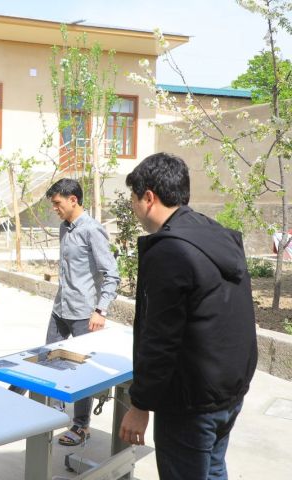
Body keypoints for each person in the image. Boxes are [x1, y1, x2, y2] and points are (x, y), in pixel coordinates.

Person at [119, 153, 257, 480]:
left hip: (190, 402)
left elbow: (160, 339)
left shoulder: (170, 250)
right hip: (228, 390)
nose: (133, 207)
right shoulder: (216, 233)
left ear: (148, 197)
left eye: (133, 199)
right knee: (213, 470)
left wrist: (140, 405)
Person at [43, 178, 120, 446]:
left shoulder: (92, 230)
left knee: (81, 371)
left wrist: (100, 310)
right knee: (50, 360)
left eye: (57, 203)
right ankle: (53, 413)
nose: (55, 208)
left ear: (73, 200)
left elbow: (111, 274)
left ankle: (81, 425)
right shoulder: (65, 228)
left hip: (84, 313)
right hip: (60, 308)